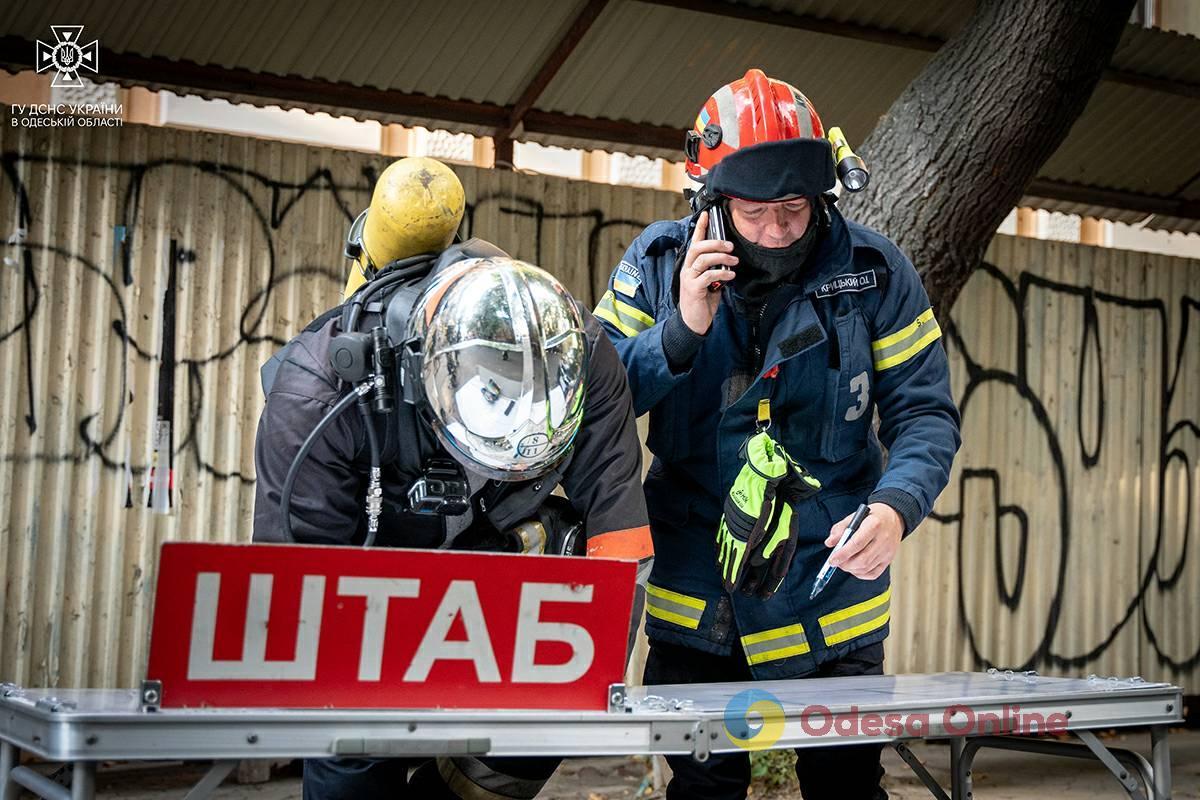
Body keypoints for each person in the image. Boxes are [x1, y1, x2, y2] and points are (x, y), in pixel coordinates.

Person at [594, 69, 961, 799]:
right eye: (754, 211)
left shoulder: (876, 275)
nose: (776, 230)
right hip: (699, 600)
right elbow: (590, 409)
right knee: (702, 791)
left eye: (794, 208)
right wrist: (681, 331)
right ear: (711, 200)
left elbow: (925, 414)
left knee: (849, 788)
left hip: (831, 599)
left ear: (822, 194)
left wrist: (895, 507)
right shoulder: (659, 265)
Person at [254, 156, 653, 800]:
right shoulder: (317, 392)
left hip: (493, 552)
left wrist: (589, 686)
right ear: (427, 381)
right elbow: (300, 598)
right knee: (352, 757)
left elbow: (620, 541)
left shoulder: (583, 355)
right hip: (366, 568)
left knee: (556, 700)